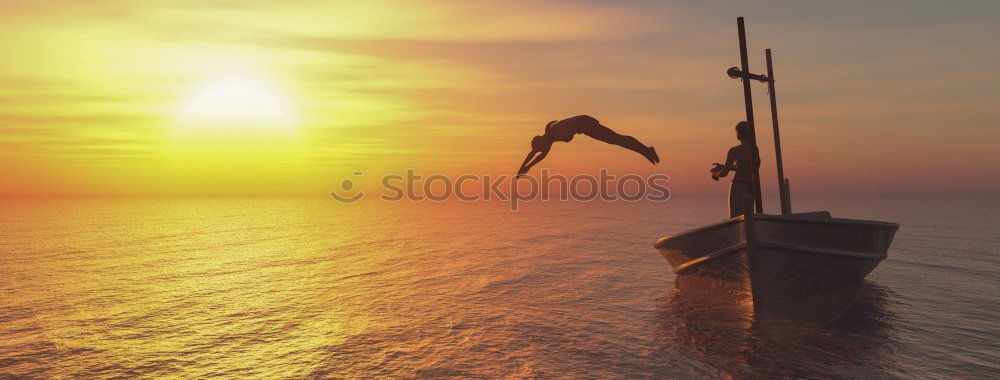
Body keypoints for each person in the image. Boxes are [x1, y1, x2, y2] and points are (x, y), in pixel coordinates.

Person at [516, 115, 659, 177]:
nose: (543, 150)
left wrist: (524, 166)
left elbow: (534, 153)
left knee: (616, 139)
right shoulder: (549, 140)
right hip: (586, 126)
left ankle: (646, 150)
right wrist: (526, 167)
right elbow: (539, 155)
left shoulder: (550, 134)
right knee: (616, 140)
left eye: (541, 147)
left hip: (585, 123)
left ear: (540, 140)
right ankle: (646, 150)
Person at [710, 121, 760, 217]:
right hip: (750, 187)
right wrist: (724, 166)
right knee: (747, 217)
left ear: (739, 133)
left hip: (738, 187)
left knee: (735, 218)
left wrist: (715, 174)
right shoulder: (754, 149)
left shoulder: (734, 150)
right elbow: (746, 167)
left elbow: (724, 173)